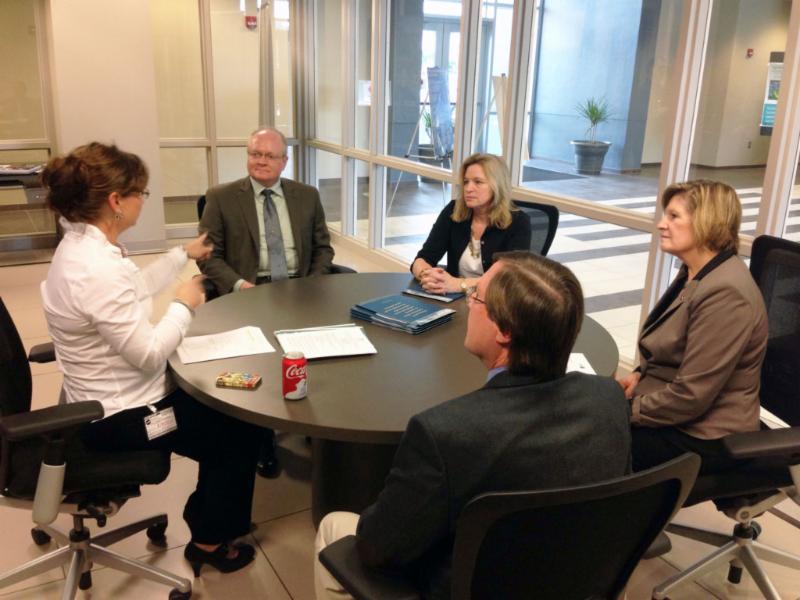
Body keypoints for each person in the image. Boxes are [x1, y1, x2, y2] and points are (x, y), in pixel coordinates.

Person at [315, 251, 631, 600]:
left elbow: (376, 548)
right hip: (576, 582)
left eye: (476, 296)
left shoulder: (445, 433)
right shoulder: (609, 399)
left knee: (332, 527)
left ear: (505, 331)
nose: (467, 303)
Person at [40, 142, 262, 576]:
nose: (144, 200)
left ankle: (213, 514)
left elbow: (133, 290)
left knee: (224, 407)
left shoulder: (83, 247)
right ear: (115, 201)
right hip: (122, 417)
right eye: (140, 192)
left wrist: (182, 255)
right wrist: (184, 304)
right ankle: (209, 540)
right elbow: (148, 354)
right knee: (239, 428)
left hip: (101, 397)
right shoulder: (97, 270)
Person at [199, 127, 335, 478]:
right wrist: (239, 285)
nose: (261, 161)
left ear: (284, 161)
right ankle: (262, 437)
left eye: (269, 155)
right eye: (255, 154)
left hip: (299, 287)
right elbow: (207, 256)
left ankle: (314, 422)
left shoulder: (307, 195)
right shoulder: (222, 197)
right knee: (259, 362)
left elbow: (323, 248)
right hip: (249, 289)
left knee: (316, 354)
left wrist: (311, 283)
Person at [617, 180, 768, 474]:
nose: (661, 224)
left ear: (707, 222)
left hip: (705, 435)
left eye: (674, 216)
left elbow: (690, 397)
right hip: (678, 413)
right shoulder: (696, 273)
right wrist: (639, 374)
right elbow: (675, 346)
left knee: (589, 442)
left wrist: (622, 412)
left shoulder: (726, 293)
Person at [410, 153, 531, 295]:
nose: (468, 188)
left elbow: (509, 279)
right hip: (452, 296)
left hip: (492, 300)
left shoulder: (519, 222)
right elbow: (424, 257)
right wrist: (427, 276)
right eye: (466, 182)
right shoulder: (454, 210)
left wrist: (458, 285)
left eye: (478, 182)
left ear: (496, 186)